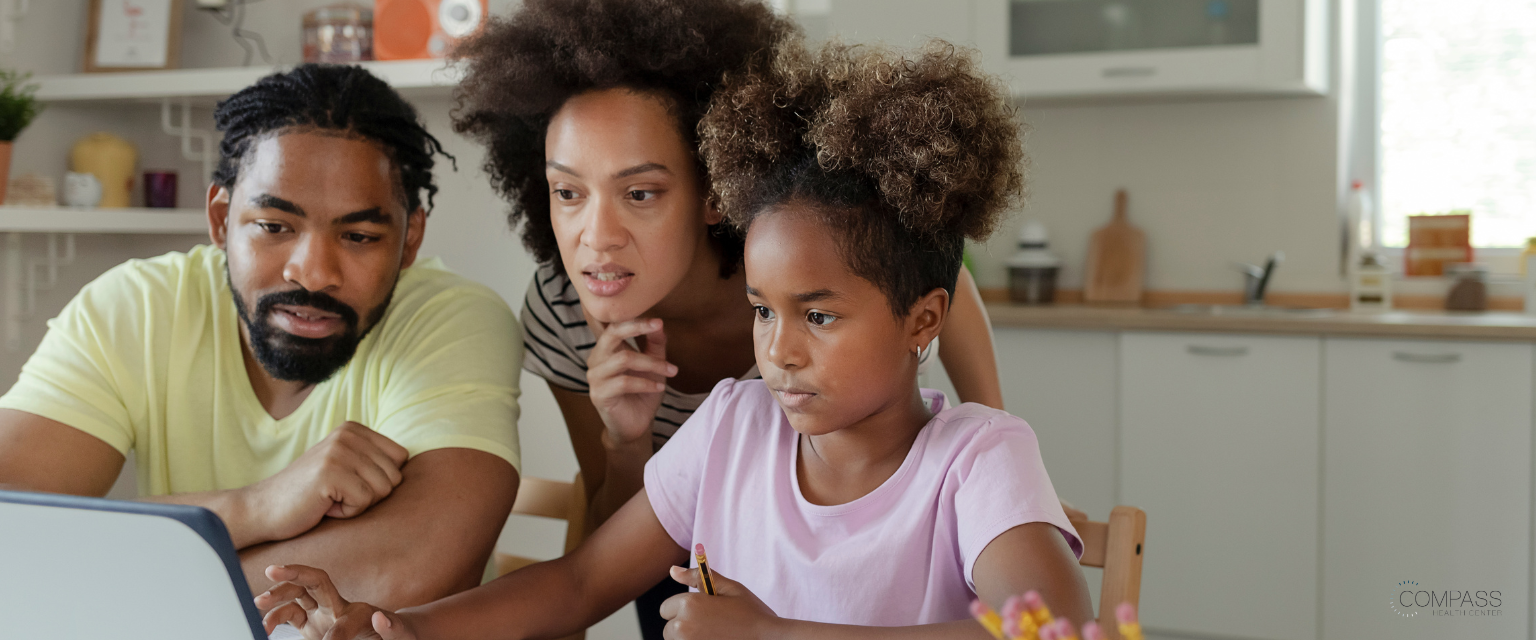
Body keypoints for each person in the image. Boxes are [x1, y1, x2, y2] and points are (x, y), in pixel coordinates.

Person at [254, 39, 1092, 640]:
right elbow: (582, 581)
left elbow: (1050, 631)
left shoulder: (980, 457)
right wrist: (397, 625)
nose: (780, 351)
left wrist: (775, 636)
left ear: (922, 322)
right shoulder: (729, 425)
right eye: (763, 310)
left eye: (820, 316)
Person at [450, 2, 1038, 633]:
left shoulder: (789, 252)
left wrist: (998, 442)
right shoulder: (724, 413)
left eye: (641, 193)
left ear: (712, 197)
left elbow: (943, 288)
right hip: (700, 549)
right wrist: (402, 625)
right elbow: (594, 573)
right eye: (568, 192)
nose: (597, 237)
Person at [0, 64, 523, 608]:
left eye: (360, 235)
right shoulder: (137, 306)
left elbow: (412, 568)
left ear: (410, 239)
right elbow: (9, 525)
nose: (313, 271)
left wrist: (127, 578)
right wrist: (255, 506)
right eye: (274, 227)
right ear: (221, 218)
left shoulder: (452, 318)